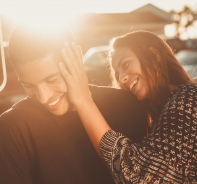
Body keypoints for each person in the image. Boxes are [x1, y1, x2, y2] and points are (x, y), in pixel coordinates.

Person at [0, 24, 149, 184]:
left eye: (52, 80)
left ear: (76, 60)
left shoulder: (126, 106)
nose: (43, 97)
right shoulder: (12, 128)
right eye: (28, 86)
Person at [58, 30, 197, 183]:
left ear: (155, 55)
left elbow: (144, 177)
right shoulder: (158, 115)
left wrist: (83, 100)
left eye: (126, 64)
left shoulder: (189, 97)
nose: (122, 78)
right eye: (117, 74)